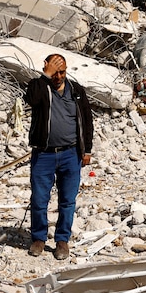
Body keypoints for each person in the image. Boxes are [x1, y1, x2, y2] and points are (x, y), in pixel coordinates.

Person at [24, 54, 93, 259]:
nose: (59, 76)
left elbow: (87, 121)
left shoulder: (76, 91)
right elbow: (31, 100)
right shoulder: (40, 87)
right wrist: (45, 76)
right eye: (55, 72)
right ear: (47, 69)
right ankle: (38, 238)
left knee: (67, 201)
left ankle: (62, 241)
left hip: (71, 154)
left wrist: (87, 150)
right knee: (39, 199)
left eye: (62, 72)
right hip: (44, 154)